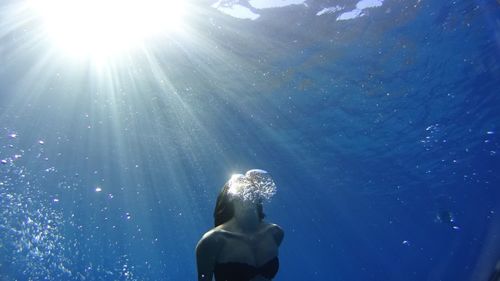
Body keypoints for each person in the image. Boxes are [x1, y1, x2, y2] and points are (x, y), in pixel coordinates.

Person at [196, 171, 284, 281]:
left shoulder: (275, 233)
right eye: (241, 186)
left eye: (251, 185)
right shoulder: (213, 241)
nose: (246, 187)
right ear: (230, 196)